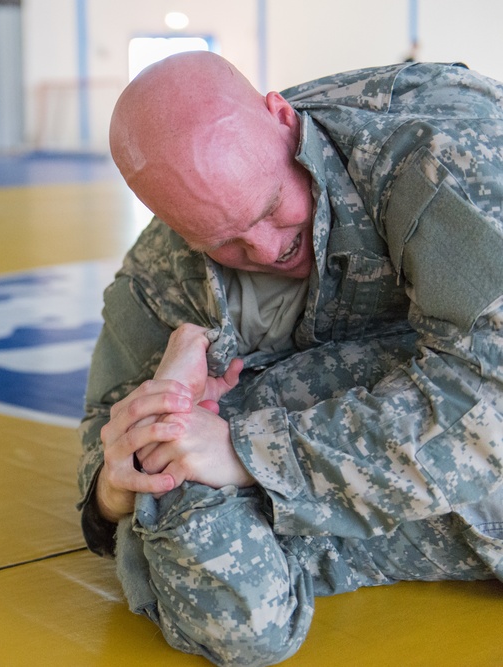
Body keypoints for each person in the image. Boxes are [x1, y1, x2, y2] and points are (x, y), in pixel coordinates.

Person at [78, 51, 503, 667]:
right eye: (225, 242)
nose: (268, 248)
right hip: (416, 414)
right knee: (236, 614)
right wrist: (119, 486)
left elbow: (489, 405)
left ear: (283, 117)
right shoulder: (165, 269)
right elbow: (107, 431)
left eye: (272, 207)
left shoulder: (448, 157)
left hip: (470, 384)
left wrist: (246, 451)